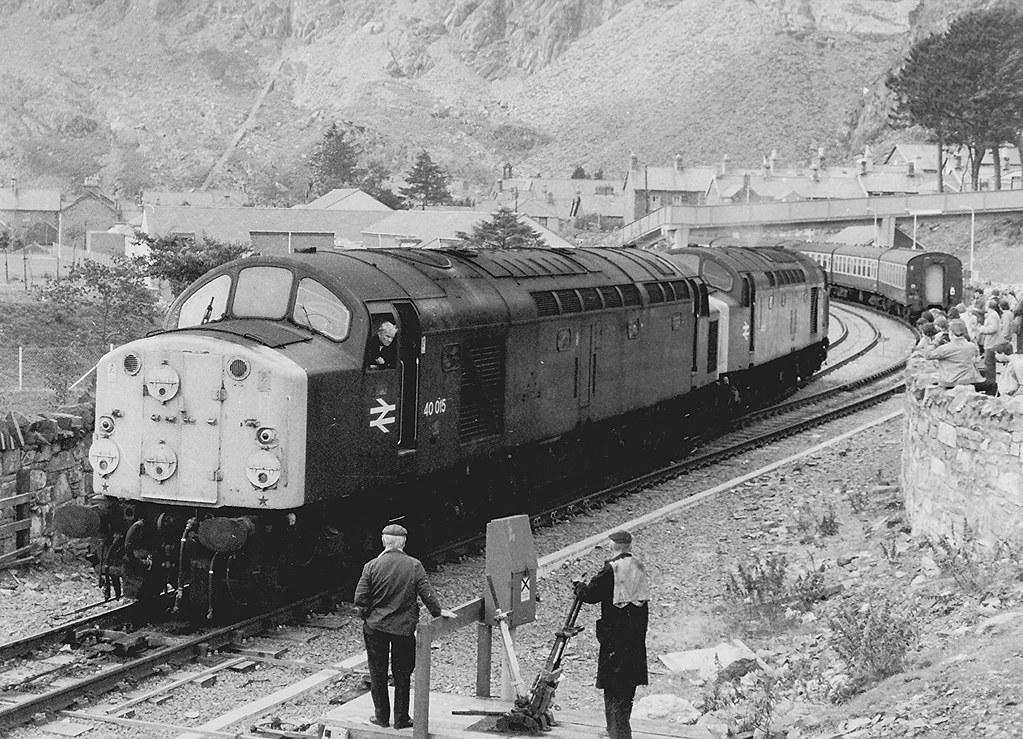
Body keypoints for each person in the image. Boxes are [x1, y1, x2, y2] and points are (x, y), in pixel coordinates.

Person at [354, 524, 456, 730]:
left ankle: (381, 717)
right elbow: (427, 593)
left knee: (377, 672)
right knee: (402, 673)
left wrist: (368, 618)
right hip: (403, 629)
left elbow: (360, 599)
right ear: (404, 543)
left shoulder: (371, 566)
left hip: (376, 629)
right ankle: (401, 719)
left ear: (383, 541)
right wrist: (438, 612)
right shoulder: (414, 565)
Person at [574, 530, 650, 739]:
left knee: (613, 690)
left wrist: (578, 586)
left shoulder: (612, 570)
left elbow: (589, 595)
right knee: (627, 691)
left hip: (615, 642)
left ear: (614, 546)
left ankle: (618, 735)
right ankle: (618, 730)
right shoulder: (639, 566)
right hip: (635, 641)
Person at [925, 319, 996, 396]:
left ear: (951, 333)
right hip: (968, 381)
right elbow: (975, 355)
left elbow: (928, 355)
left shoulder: (945, 348)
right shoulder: (971, 346)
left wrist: (936, 341)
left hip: (949, 383)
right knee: (992, 385)